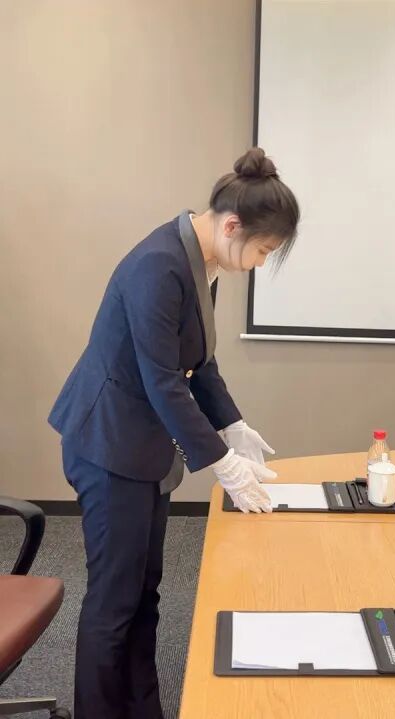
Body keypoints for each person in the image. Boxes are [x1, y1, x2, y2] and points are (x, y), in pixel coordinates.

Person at [48, 147, 300, 719]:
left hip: (146, 446)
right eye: (262, 251)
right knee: (114, 603)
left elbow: (198, 363)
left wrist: (233, 425)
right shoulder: (158, 266)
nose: (259, 264)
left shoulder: (199, 262)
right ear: (232, 226)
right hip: (108, 444)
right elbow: (162, 380)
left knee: (145, 594)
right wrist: (222, 463)